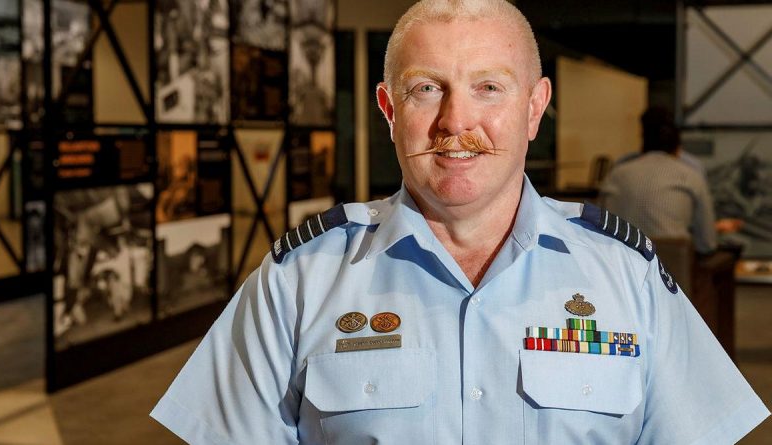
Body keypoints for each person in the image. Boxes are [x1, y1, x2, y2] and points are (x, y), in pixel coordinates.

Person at [151, 1, 769, 443]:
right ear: (389, 109)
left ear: (535, 108)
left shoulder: (628, 277)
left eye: (489, 88)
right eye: (426, 89)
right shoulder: (296, 281)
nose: (456, 121)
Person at [600, 107, 734, 254]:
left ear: (642, 143)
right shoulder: (690, 175)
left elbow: (599, 229)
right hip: (672, 270)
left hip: (620, 269)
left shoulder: (615, 175)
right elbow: (707, 244)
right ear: (678, 148)